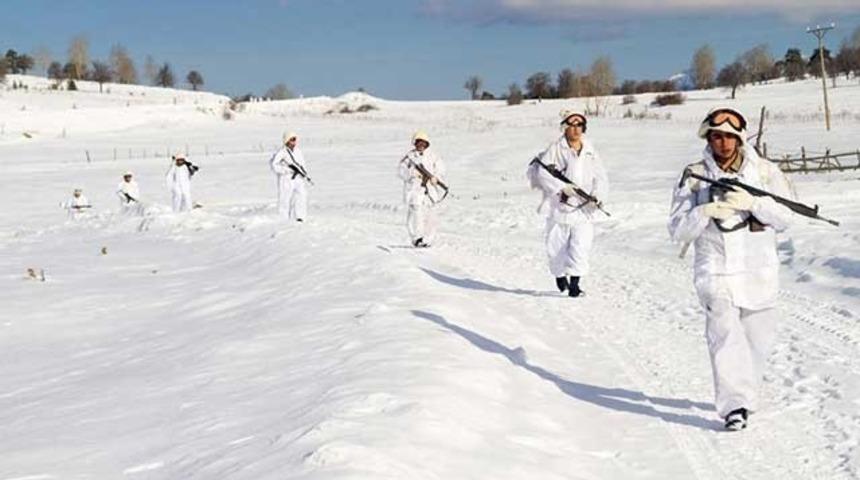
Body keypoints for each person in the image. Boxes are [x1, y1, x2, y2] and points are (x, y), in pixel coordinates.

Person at [668, 107, 796, 431]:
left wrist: (753, 204)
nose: (723, 143)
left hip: (758, 269)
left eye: (729, 136)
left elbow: (787, 218)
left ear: (740, 138)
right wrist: (705, 211)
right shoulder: (694, 176)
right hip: (715, 268)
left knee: (757, 341)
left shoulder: (765, 172)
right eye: (717, 136)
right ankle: (734, 405)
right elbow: (678, 230)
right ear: (708, 137)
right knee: (724, 334)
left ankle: (746, 397)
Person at [527, 110, 609, 297]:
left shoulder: (590, 151)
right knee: (556, 247)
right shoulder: (555, 149)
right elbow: (542, 174)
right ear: (565, 127)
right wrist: (561, 188)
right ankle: (559, 275)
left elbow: (601, 177)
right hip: (560, 208)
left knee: (581, 246)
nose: (575, 129)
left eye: (579, 125)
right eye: (571, 125)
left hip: (583, 210)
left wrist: (597, 196)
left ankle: (575, 285)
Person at [398, 131, 447, 248]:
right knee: (415, 214)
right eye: (418, 142)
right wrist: (412, 173)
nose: (421, 145)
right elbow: (401, 171)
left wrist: (436, 178)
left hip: (429, 190)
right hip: (414, 189)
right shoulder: (409, 157)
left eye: (423, 143)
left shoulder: (433, 156)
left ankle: (428, 239)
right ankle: (416, 238)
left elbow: (441, 169)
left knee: (431, 215)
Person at [270, 132, 310, 222]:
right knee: (285, 198)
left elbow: (302, 163)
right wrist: (286, 170)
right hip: (286, 179)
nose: (294, 142)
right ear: (287, 140)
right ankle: (283, 218)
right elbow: (274, 165)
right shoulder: (281, 152)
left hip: (298, 178)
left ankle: (300, 216)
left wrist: (304, 173)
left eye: (295, 139)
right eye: (292, 139)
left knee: (302, 195)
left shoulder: (298, 151)